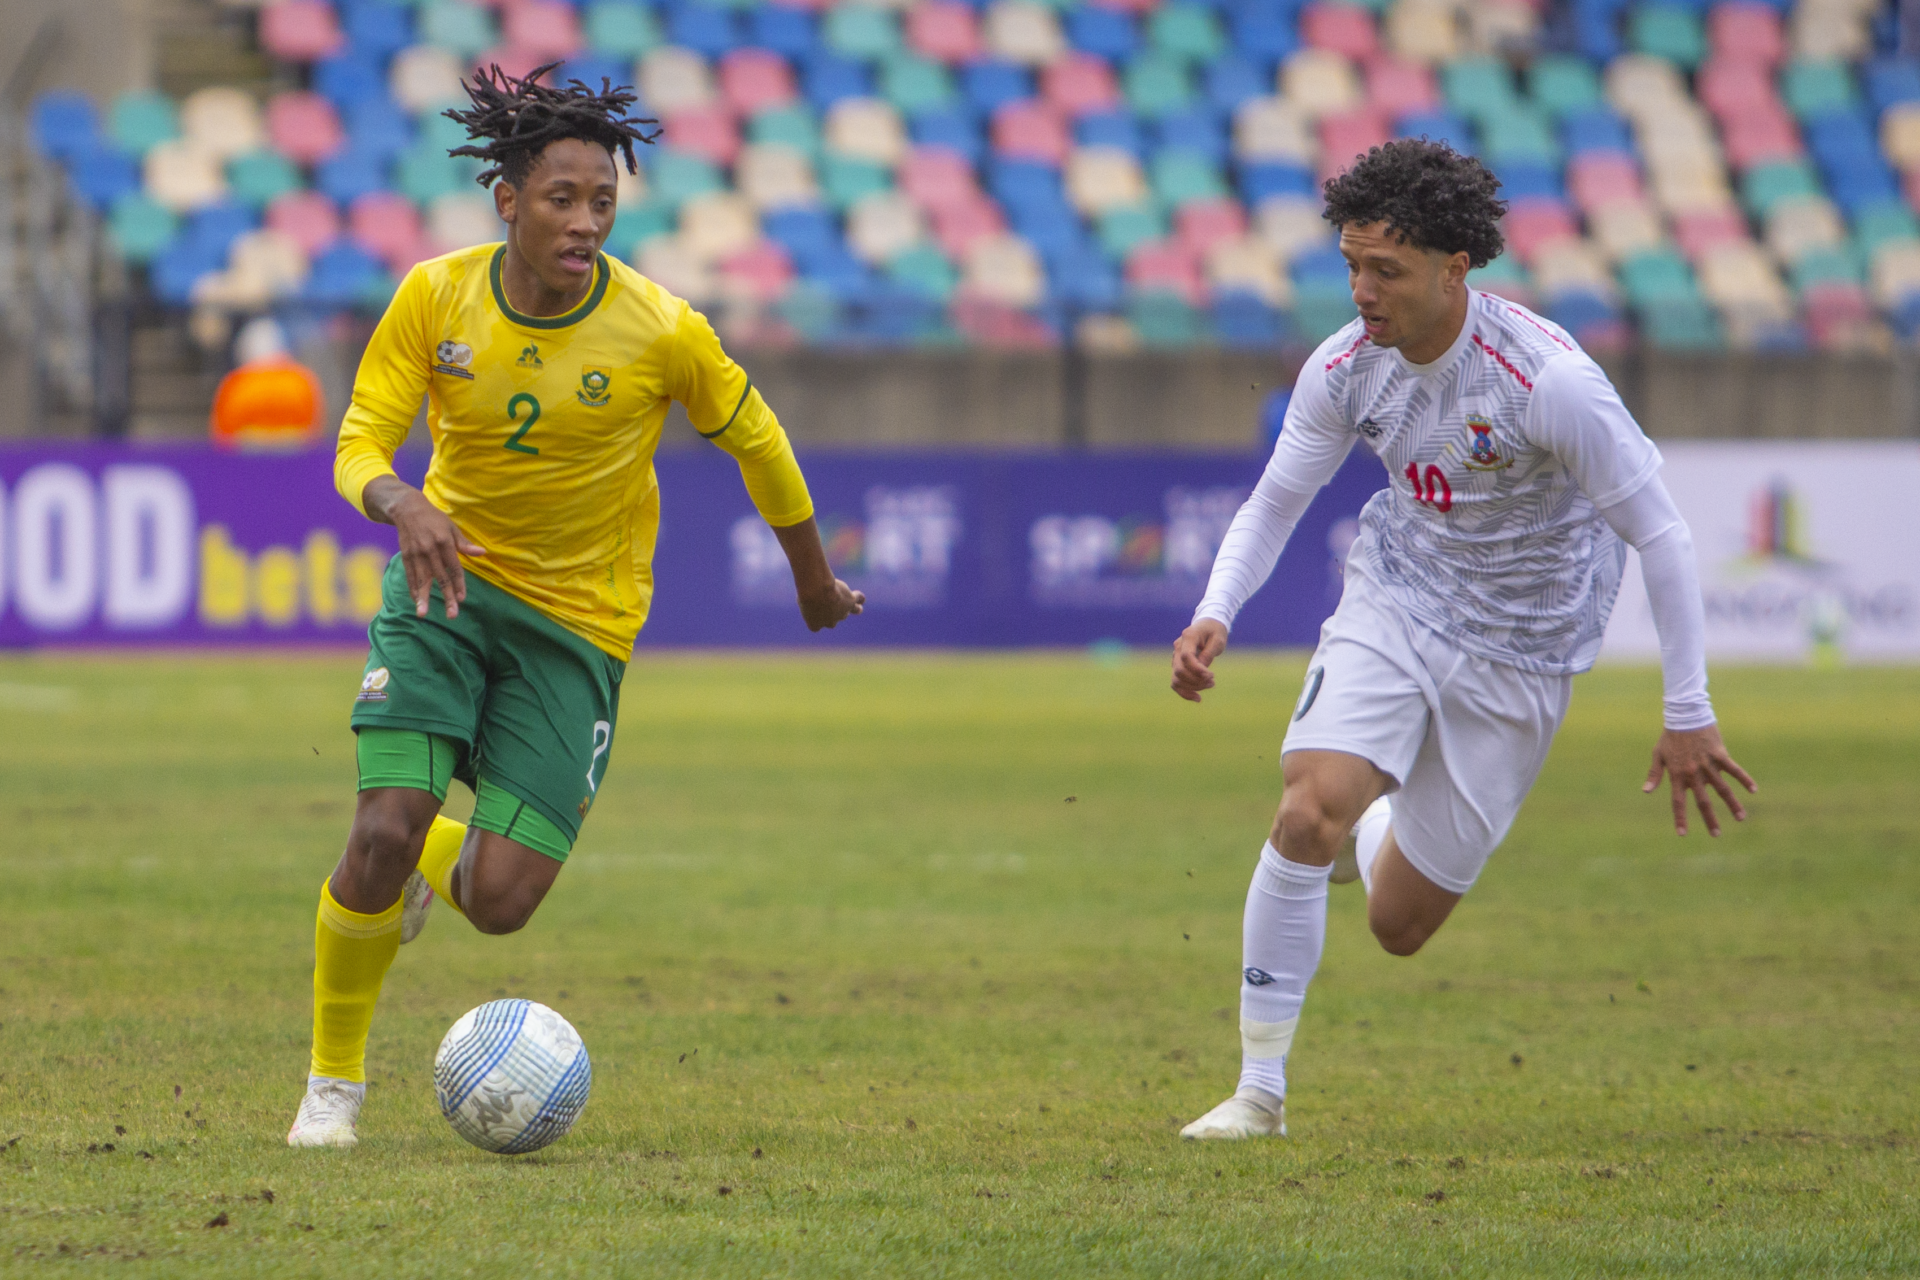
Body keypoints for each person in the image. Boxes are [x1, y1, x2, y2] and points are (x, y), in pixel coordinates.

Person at [287, 65, 863, 1148]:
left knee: (499, 899)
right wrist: (400, 499)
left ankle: (426, 862)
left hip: (580, 628)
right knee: (377, 826)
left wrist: (812, 578)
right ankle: (334, 1084)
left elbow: (760, 439)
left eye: (603, 200)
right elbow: (358, 439)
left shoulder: (660, 328)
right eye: (562, 198)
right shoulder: (435, 296)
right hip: (444, 588)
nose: (586, 221)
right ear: (508, 200)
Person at [1168, 139, 1756, 1140]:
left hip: (1522, 655)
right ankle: (1257, 1091)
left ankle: (1370, 825)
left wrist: (1687, 708)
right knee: (1304, 806)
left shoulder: (1548, 380)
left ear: (1455, 268)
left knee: (1397, 927)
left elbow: (1660, 530)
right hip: (1399, 596)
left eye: (1384, 270)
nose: (1361, 290)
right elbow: (1276, 501)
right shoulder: (1346, 367)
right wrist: (1217, 606)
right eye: (1351, 264)